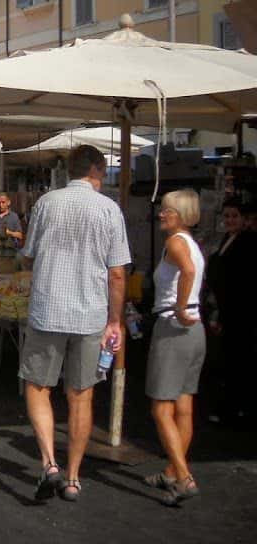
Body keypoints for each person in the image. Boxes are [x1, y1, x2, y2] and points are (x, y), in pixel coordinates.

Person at [19, 145, 130, 503]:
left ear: (69, 170)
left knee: (38, 386)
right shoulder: (110, 209)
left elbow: (28, 258)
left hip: (48, 309)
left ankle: (49, 462)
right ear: (97, 170)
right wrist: (116, 320)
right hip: (90, 314)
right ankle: (73, 477)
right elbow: (116, 273)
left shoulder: (47, 203)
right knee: (81, 395)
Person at [145, 189, 205, 506]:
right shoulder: (193, 244)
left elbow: (188, 272)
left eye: (166, 210)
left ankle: (183, 476)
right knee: (184, 404)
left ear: (178, 215)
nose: (160, 214)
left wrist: (179, 308)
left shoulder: (176, 242)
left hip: (173, 326)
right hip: (194, 330)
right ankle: (173, 470)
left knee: (161, 407)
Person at [204, 198, 257, 425]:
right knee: (229, 359)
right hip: (225, 308)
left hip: (240, 311)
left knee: (238, 360)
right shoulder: (227, 239)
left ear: (244, 219)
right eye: (226, 216)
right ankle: (233, 406)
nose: (230, 220)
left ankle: (236, 408)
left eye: (234, 216)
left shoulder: (249, 242)